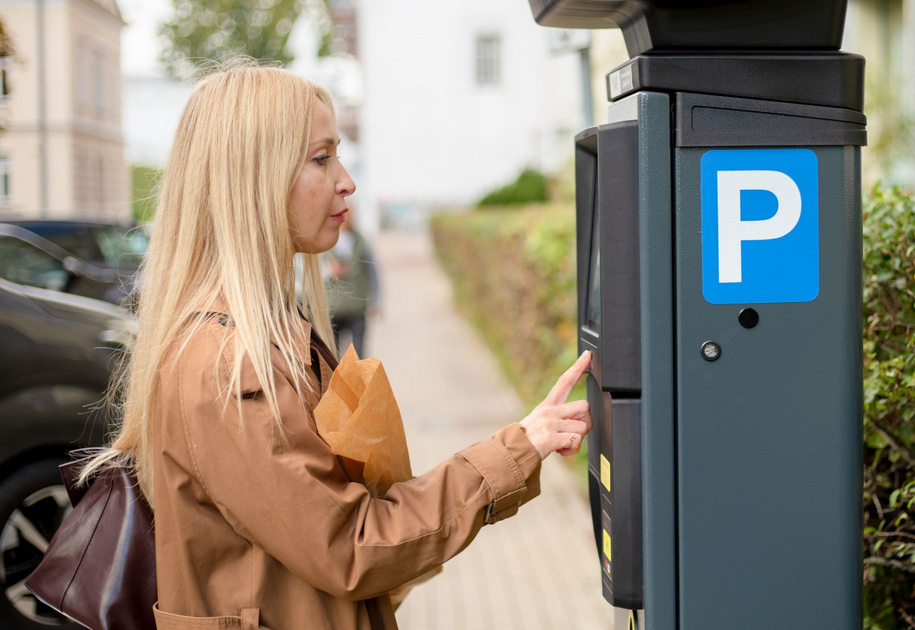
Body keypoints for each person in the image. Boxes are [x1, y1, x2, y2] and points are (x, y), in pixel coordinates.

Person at [84, 63, 592, 630]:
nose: (346, 180)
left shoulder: (260, 332)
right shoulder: (225, 366)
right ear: (254, 177)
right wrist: (518, 448)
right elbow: (351, 546)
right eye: (321, 158)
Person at [325, 213, 378, 356]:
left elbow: (372, 272)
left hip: (357, 308)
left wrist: (376, 300)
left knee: (359, 354)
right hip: (333, 309)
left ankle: (358, 379)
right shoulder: (324, 240)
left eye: (348, 213)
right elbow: (310, 271)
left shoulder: (360, 241)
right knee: (332, 356)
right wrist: (329, 271)